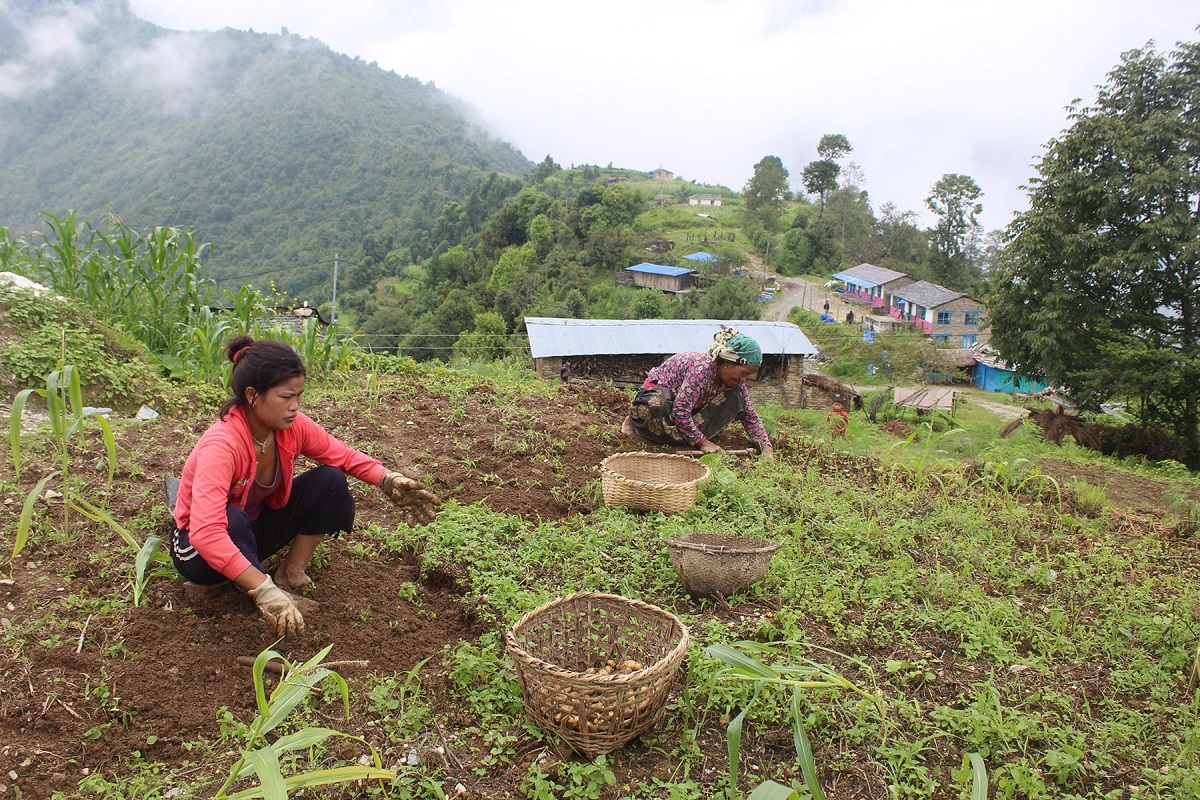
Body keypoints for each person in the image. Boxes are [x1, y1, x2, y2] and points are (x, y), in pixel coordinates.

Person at [170, 336, 440, 637]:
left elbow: (343, 456)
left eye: (298, 396)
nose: (295, 406)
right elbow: (206, 532)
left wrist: (387, 478)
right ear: (252, 395)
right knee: (230, 518)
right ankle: (251, 588)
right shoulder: (222, 447)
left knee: (330, 481)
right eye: (286, 397)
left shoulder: (290, 427)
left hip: (252, 533)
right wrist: (262, 589)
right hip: (197, 550)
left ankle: (289, 574)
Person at [620, 328, 774, 459]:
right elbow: (680, 410)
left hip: (686, 411)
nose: (743, 379)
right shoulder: (702, 370)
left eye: (748, 376)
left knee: (736, 398)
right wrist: (703, 443)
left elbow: (750, 416)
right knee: (655, 406)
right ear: (727, 363)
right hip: (663, 403)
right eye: (742, 373)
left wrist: (767, 448)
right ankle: (635, 421)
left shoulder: (737, 384)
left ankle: (680, 438)